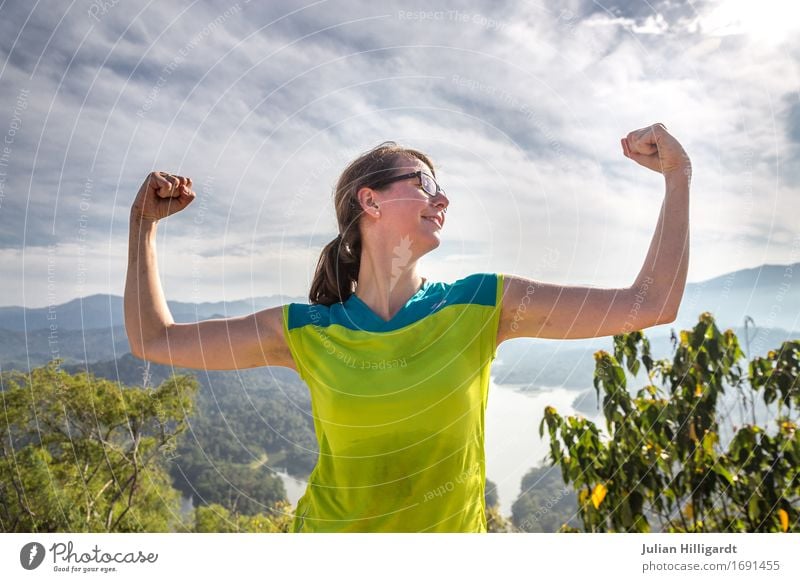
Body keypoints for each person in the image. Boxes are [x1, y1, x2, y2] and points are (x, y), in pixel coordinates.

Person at [124, 123, 691, 532]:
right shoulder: (303, 330)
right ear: (368, 200)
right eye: (424, 182)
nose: (442, 199)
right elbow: (154, 339)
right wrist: (142, 225)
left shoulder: (484, 304)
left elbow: (650, 303)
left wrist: (678, 177)